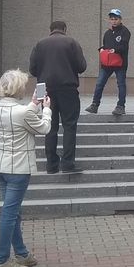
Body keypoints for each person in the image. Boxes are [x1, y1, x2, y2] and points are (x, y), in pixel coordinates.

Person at [0, 69, 52, 267]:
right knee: (10, 214)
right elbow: (43, 129)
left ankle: (22, 254)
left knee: (12, 212)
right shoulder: (23, 112)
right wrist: (46, 109)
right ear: (17, 88)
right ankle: (1, 261)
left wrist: (33, 104)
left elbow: (17, 116)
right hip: (18, 168)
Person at [29, 20, 87, 174]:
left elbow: (33, 70)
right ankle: (68, 164)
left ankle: (51, 165)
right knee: (69, 125)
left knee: (49, 126)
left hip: (44, 89)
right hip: (67, 87)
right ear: (65, 29)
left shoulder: (40, 44)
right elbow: (82, 67)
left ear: (50, 30)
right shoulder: (72, 42)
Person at [86, 9, 130, 116]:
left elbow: (123, 46)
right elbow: (106, 46)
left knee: (121, 84)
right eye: (112, 19)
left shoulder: (125, 31)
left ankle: (120, 106)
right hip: (107, 64)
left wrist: (114, 50)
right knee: (99, 83)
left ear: (120, 19)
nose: (114, 21)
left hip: (120, 64)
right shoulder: (107, 33)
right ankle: (94, 105)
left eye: (116, 19)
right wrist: (101, 49)